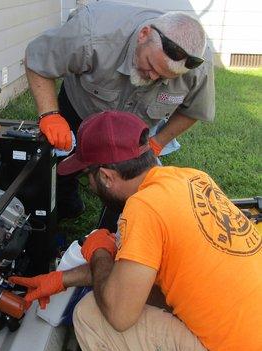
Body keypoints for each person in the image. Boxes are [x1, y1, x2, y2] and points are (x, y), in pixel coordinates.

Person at [10, 111, 262, 351]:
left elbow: (119, 314)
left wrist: (100, 251)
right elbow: (137, 274)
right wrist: (62, 279)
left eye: (87, 178)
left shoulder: (143, 208)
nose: (90, 187)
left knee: (92, 316)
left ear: (105, 176)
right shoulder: (192, 178)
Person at [25, 1, 215, 219]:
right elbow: (37, 59)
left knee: (131, 180)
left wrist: (158, 142)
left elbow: (194, 110)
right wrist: (50, 115)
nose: (153, 77)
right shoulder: (91, 32)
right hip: (83, 107)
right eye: (151, 66)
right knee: (62, 160)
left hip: (137, 127)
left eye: (164, 77)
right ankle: (66, 202)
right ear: (143, 34)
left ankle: (118, 220)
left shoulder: (199, 68)